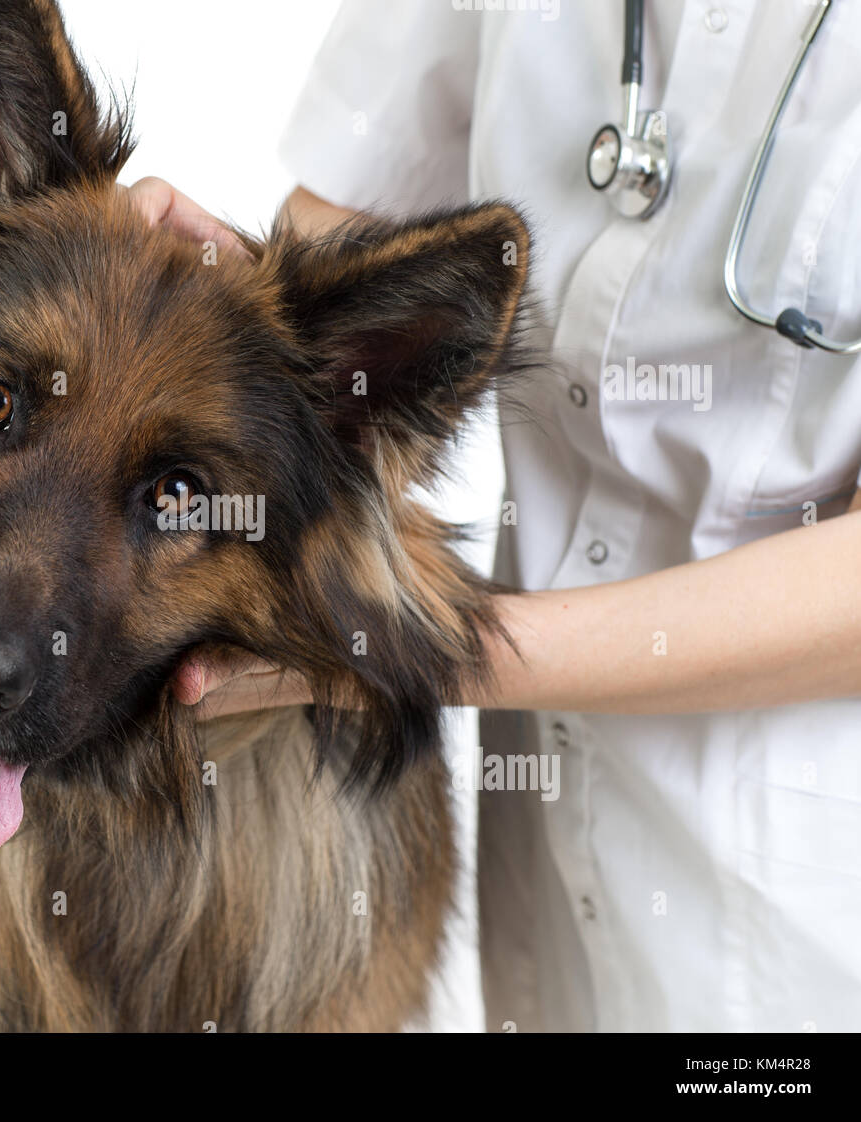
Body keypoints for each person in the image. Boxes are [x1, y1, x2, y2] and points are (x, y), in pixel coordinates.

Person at [123, 0, 861, 1032]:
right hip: (547, 829)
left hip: (812, 889)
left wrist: (406, 651)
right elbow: (342, 239)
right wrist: (212, 320)